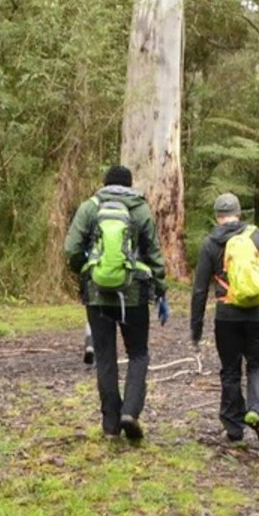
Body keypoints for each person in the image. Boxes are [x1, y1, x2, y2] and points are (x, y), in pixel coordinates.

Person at [64, 164, 168, 440]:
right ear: (129, 184)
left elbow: (71, 248)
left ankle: (110, 425)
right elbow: (154, 253)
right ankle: (130, 412)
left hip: (97, 295)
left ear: (105, 183)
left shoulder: (90, 207)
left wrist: (87, 271)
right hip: (134, 294)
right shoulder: (140, 209)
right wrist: (160, 288)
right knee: (138, 354)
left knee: (105, 356)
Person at [189, 193, 259, 446]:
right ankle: (257, 409)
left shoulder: (211, 243)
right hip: (257, 313)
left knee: (230, 371)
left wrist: (196, 327)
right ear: (238, 213)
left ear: (216, 216)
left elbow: (200, 289)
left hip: (226, 316)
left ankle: (233, 427)